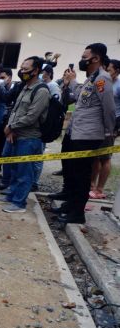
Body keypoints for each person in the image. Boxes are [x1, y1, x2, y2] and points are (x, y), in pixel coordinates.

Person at [51, 43, 116, 224]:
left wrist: (109, 132)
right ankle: (70, 205)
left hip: (88, 135)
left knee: (81, 175)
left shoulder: (103, 79)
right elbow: (80, 96)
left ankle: (77, 213)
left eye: (84, 57)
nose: (82, 60)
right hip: (76, 132)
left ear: (95, 58)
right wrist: (70, 82)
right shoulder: (91, 78)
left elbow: (109, 108)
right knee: (71, 172)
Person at [0, 56, 50, 213]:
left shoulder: (41, 91)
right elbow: (16, 110)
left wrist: (11, 126)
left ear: (36, 70)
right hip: (15, 134)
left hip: (29, 137)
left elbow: (32, 116)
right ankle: (12, 195)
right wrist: (11, 129)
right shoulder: (25, 87)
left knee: (24, 171)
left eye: (26, 69)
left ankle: (19, 203)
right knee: (13, 166)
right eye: (22, 68)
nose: (22, 72)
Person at [89, 59, 120, 199]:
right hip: (97, 124)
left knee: (105, 158)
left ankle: (100, 189)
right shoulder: (102, 82)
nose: (106, 73)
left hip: (111, 126)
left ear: (117, 72)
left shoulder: (118, 86)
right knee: (95, 156)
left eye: (110, 70)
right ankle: (91, 186)